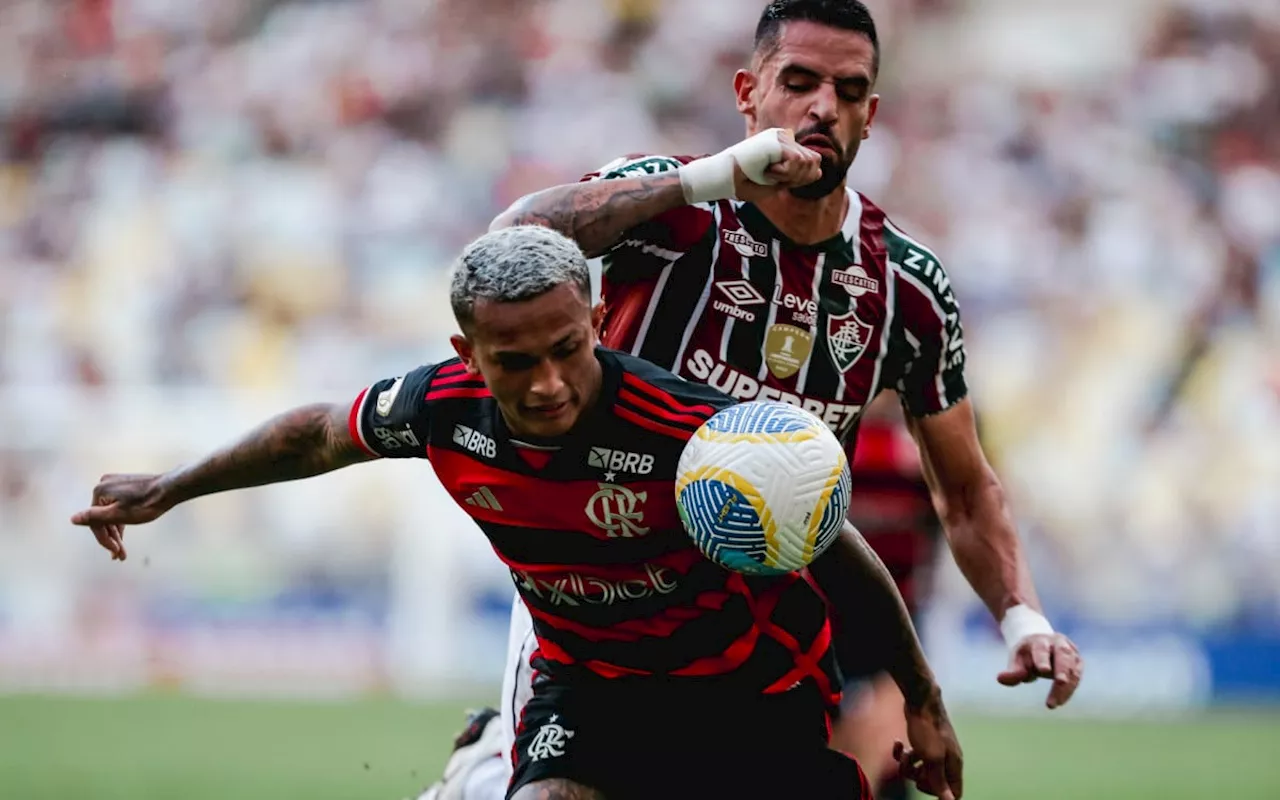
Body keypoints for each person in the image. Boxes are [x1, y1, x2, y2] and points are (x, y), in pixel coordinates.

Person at [424, 2, 1082, 798]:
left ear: (870, 116)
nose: (821, 108)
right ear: (749, 92)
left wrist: (1025, 620)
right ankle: (494, 770)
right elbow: (515, 235)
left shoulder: (907, 286)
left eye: (847, 91)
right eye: (798, 82)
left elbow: (966, 488)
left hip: (760, 623)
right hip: (602, 591)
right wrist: (714, 176)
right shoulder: (672, 208)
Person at [72, 226, 963, 800]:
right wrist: (171, 488)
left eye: (566, 350)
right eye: (513, 360)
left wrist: (921, 698)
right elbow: (313, 436)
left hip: (744, 696)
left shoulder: (694, 429)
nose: (546, 383)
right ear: (469, 351)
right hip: (593, 689)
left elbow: (835, 546)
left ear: (597, 324)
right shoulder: (438, 405)